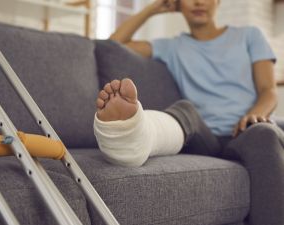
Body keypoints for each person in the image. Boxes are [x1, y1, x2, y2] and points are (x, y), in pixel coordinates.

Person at [93, 0, 284, 224]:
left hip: (246, 132)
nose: (198, 2)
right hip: (203, 136)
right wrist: (152, 8)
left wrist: (255, 115)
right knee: (186, 108)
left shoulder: (250, 36)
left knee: (266, 133)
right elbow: (111, 46)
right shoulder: (172, 46)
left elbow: (268, 90)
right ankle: (129, 133)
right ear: (177, 4)